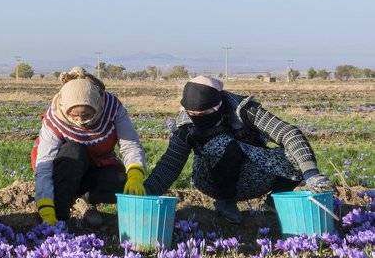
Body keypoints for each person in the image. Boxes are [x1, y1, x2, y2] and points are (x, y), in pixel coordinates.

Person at [144, 75, 335, 225]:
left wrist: (311, 174)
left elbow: (288, 133)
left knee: (297, 154)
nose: (198, 117)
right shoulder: (185, 127)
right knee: (221, 144)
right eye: (193, 114)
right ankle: (225, 201)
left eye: (205, 113)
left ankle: (273, 202)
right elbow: (170, 164)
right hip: (212, 181)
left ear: (219, 104)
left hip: (252, 174)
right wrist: (145, 193)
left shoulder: (243, 110)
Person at [32, 68, 147, 227]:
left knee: (121, 182)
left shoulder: (112, 108)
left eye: (86, 115)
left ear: (97, 105)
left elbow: (130, 144)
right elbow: (45, 165)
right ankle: (59, 213)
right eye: (74, 115)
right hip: (64, 168)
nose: (80, 120)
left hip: (97, 165)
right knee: (73, 151)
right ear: (65, 109)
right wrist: (45, 205)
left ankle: (82, 198)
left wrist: (135, 175)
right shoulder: (55, 117)